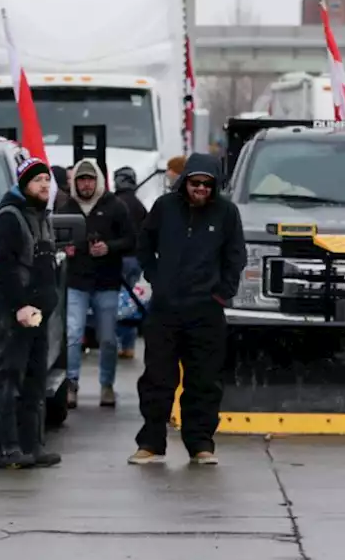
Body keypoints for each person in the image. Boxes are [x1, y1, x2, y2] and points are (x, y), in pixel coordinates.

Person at [129, 153, 246, 466]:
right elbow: (143, 243)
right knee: (157, 377)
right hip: (165, 309)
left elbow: (236, 257)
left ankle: (201, 444)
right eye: (195, 183)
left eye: (208, 185)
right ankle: (151, 442)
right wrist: (156, 277)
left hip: (206, 311)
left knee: (204, 380)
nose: (201, 189)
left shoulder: (227, 213)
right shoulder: (164, 208)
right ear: (185, 182)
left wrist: (222, 294)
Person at [0, 157, 62, 469]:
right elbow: (3, 265)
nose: (44, 184)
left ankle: (33, 445)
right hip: (16, 310)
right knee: (8, 379)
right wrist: (20, 306)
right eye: (37, 180)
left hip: (38, 311)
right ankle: (2, 448)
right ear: (23, 184)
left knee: (35, 380)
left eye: (46, 179)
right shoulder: (10, 216)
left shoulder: (41, 215)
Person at [57, 159, 135, 408]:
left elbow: (132, 239)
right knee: (72, 335)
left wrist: (109, 247)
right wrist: (65, 249)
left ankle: (107, 385)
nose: (86, 184)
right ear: (75, 182)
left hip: (106, 282)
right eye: (81, 179)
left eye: (90, 179)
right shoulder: (66, 207)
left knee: (108, 338)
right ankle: (71, 383)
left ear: (98, 180)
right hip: (76, 281)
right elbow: (53, 239)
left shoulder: (115, 206)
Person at [113, 166, 149, 360]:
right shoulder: (139, 205)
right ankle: (128, 345)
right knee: (130, 302)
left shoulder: (115, 204)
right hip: (136, 260)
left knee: (117, 302)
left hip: (117, 259)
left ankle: (117, 342)